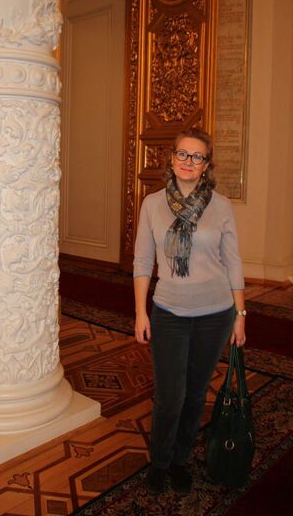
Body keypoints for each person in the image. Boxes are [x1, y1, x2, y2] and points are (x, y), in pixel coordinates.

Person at [133, 127, 246, 495]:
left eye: (197, 156)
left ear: (206, 165)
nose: (188, 161)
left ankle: (180, 459)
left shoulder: (222, 206)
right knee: (170, 397)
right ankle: (160, 462)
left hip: (216, 313)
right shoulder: (152, 204)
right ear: (171, 158)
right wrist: (140, 313)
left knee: (196, 395)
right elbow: (142, 261)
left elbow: (233, 262)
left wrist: (240, 316)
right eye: (182, 153)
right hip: (169, 312)